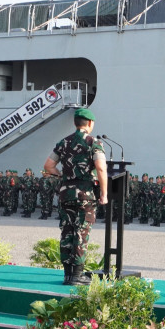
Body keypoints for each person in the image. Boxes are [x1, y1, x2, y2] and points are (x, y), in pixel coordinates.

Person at [43, 108, 108, 285]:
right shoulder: (94, 143)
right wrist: (104, 193)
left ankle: (67, 275)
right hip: (85, 195)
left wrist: (63, 177)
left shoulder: (63, 142)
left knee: (67, 232)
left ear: (75, 123)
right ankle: (77, 275)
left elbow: (48, 166)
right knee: (81, 232)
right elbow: (101, 168)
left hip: (66, 194)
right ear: (89, 123)